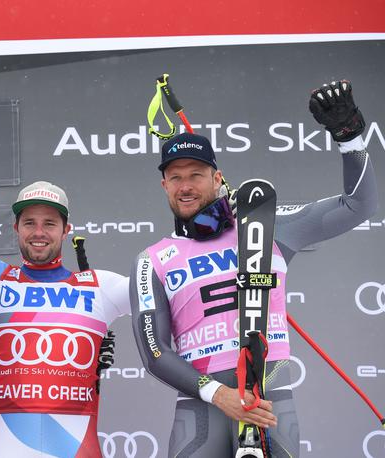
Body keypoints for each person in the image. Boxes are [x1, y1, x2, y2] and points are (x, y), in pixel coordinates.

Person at [129, 80, 377, 457]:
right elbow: (155, 351)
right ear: (164, 186)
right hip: (202, 407)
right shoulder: (152, 260)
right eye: (175, 177)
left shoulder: (266, 226)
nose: (185, 186)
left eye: (196, 174)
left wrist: (349, 139)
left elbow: (357, 206)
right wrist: (220, 394)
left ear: (216, 179)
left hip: (269, 396)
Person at [0, 113, 129, 457]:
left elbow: (168, 292)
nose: (38, 232)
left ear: (66, 230)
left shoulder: (99, 285)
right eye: (29, 222)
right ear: (15, 229)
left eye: (50, 223)